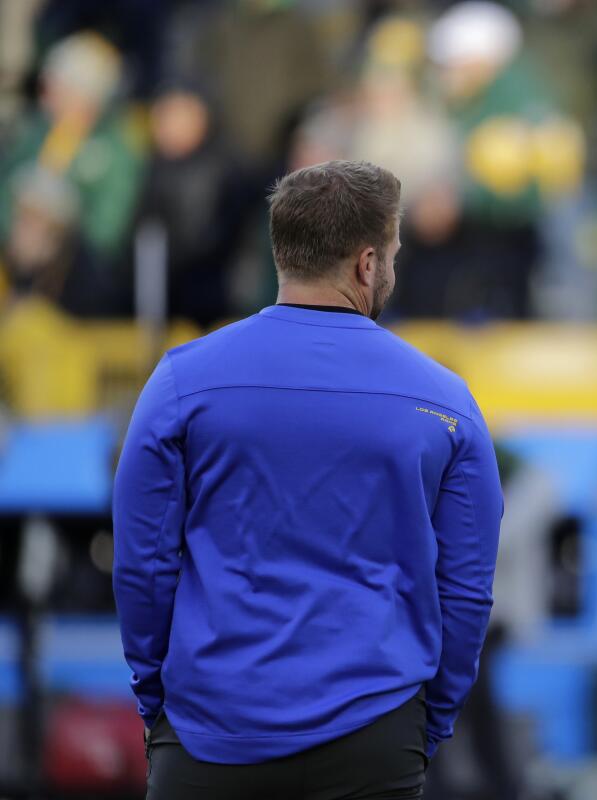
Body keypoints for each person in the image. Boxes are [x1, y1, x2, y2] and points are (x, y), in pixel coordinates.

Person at [112, 160, 503, 799]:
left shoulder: (183, 380)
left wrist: (157, 699)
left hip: (210, 728)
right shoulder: (446, 401)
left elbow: (142, 563)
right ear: (368, 264)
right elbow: (465, 589)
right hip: (375, 731)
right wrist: (427, 725)